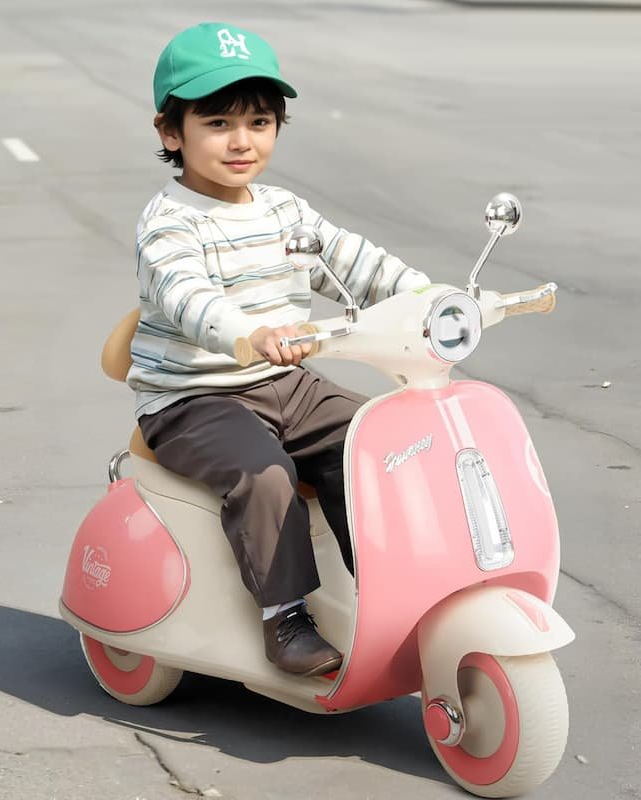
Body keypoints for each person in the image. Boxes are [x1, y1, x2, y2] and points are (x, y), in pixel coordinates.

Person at [127, 22, 430, 678]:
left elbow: (351, 260)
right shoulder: (169, 223)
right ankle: (284, 617)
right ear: (171, 132)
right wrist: (247, 333)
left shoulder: (284, 211)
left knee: (375, 440)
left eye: (259, 122)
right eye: (218, 123)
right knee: (265, 475)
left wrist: (427, 295)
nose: (242, 140)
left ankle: (390, 592)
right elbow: (186, 296)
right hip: (193, 397)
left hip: (286, 383)